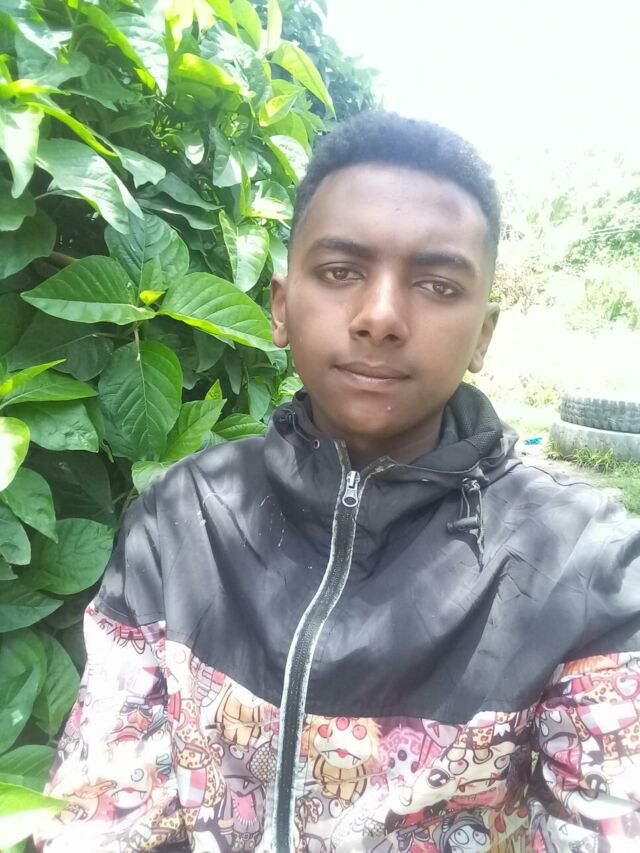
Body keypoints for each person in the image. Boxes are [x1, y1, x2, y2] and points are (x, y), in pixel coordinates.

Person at [38, 112, 640, 853]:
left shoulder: (585, 563)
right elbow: (102, 810)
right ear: (280, 306)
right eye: (340, 272)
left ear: (483, 334)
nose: (380, 317)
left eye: (437, 284)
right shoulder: (182, 518)